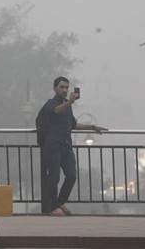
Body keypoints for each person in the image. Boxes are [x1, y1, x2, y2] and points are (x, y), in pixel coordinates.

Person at [38, 77, 107, 216]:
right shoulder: (51, 104)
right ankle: (52, 208)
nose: (64, 90)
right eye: (61, 87)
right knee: (54, 177)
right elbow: (56, 111)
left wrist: (92, 127)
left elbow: (73, 124)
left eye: (66, 87)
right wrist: (69, 102)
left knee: (71, 175)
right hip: (53, 146)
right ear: (55, 88)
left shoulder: (67, 106)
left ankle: (59, 202)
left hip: (66, 146)